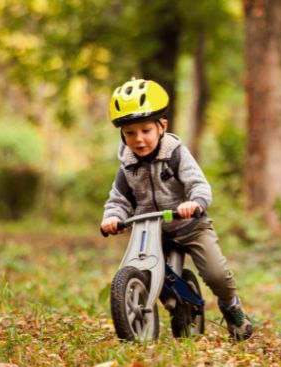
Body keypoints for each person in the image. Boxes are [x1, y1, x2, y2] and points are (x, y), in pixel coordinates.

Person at [100, 78, 253, 341]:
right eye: (129, 133)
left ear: (162, 126)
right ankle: (167, 306)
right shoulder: (127, 166)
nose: (138, 140)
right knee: (144, 267)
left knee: (217, 274)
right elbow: (119, 200)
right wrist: (113, 217)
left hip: (190, 225)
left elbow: (198, 184)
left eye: (145, 130)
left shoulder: (176, 154)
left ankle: (231, 307)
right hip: (152, 230)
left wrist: (194, 203)